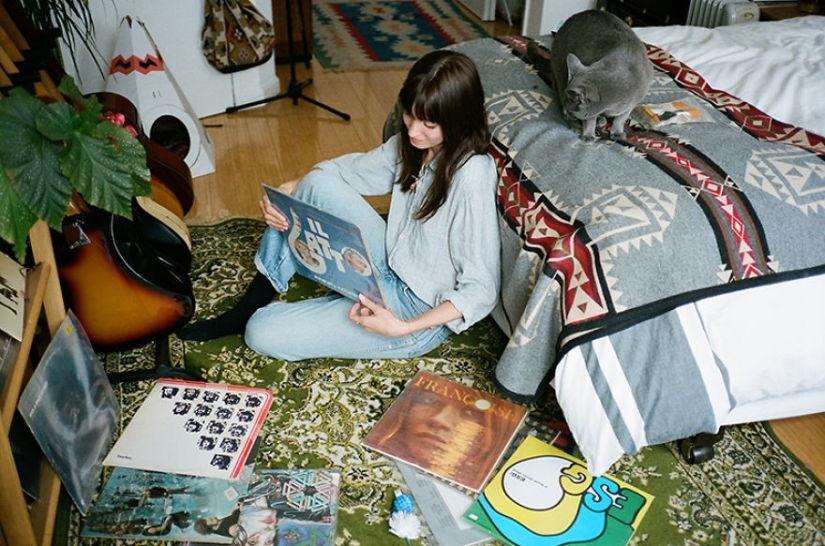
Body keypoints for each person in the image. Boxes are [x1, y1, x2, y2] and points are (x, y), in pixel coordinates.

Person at [177, 50, 500, 360]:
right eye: (410, 114)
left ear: (458, 120)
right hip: (387, 264)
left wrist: (402, 328)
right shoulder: (412, 145)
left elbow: (481, 290)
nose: (413, 130)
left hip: (412, 311)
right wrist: (287, 193)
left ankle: (324, 305)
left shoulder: (472, 174)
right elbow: (344, 172)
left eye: (429, 124)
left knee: (260, 332)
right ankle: (248, 305)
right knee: (314, 183)